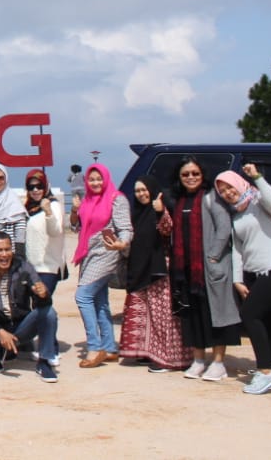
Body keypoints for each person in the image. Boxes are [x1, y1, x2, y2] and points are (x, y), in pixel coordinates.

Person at [216, 164, 271, 394]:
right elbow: (238, 251)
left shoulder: (258, 202)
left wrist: (257, 177)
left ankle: (264, 371)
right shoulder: (237, 214)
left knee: (249, 314)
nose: (227, 192)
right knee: (270, 320)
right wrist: (238, 280)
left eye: (229, 187)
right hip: (258, 273)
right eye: (222, 190)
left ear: (239, 183)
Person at [165, 155, 240, 381]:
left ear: (202, 175)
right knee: (193, 316)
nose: (191, 178)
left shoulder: (211, 198)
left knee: (216, 315)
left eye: (195, 173)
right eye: (186, 174)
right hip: (186, 270)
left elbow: (224, 228)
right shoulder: (178, 201)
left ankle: (218, 363)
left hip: (209, 269)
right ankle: (198, 360)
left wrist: (214, 256)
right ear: (179, 177)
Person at [118, 176, 191, 373]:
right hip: (142, 270)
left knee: (163, 317)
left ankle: (168, 359)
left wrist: (160, 212)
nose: (141, 194)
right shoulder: (137, 213)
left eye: (144, 190)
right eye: (137, 191)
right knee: (146, 315)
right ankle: (147, 353)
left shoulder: (161, 209)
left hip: (160, 271)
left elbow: (168, 230)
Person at [0, 231, 59, 382]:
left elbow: (43, 304)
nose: (5, 255)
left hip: (21, 325)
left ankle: (44, 361)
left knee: (49, 313)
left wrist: (43, 295)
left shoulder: (24, 268)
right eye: (0, 250)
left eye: (8, 249)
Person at [73, 163, 131, 368]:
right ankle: (109, 347)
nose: (95, 182)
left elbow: (125, 228)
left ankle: (94, 346)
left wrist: (121, 243)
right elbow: (78, 227)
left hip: (106, 253)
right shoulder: (88, 200)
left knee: (82, 296)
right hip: (88, 255)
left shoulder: (117, 199)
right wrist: (75, 211)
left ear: (106, 179)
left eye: (99, 179)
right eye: (91, 179)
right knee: (100, 301)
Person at [23, 169, 66, 297]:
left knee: (42, 303)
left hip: (48, 268)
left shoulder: (53, 206)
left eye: (39, 186)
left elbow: (55, 231)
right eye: (31, 187)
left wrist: (48, 213)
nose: (35, 190)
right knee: (31, 307)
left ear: (46, 186)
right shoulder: (27, 208)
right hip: (30, 267)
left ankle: (52, 318)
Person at [67, 164, 85, 232]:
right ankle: (80, 223)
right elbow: (85, 180)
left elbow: (68, 180)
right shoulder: (82, 175)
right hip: (83, 190)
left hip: (74, 190)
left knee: (75, 205)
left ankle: (74, 225)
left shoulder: (71, 175)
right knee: (82, 205)